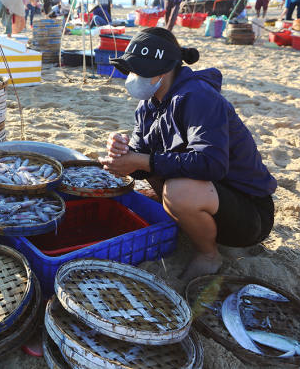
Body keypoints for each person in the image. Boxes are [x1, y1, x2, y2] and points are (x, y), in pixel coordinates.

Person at [102, 27, 277, 283]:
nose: (133, 76)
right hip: (209, 196)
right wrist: (122, 151)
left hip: (249, 213)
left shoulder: (198, 97)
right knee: (156, 171)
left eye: (139, 70)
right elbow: (141, 161)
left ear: (163, 70)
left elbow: (212, 165)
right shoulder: (148, 104)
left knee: (178, 191)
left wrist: (141, 160)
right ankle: (188, 219)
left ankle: (208, 255)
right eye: (132, 70)